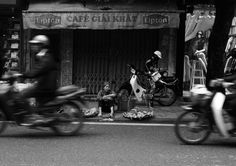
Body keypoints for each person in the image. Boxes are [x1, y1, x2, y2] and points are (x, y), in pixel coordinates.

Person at [19, 35, 58, 125]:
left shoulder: (46, 56)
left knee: (22, 94)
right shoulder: (42, 55)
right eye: (33, 45)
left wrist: (24, 75)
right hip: (43, 84)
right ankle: (37, 114)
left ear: (42, 45)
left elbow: (38, 70)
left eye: (36, 44)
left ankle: (33, 116)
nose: (33, 46)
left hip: (45, 87)